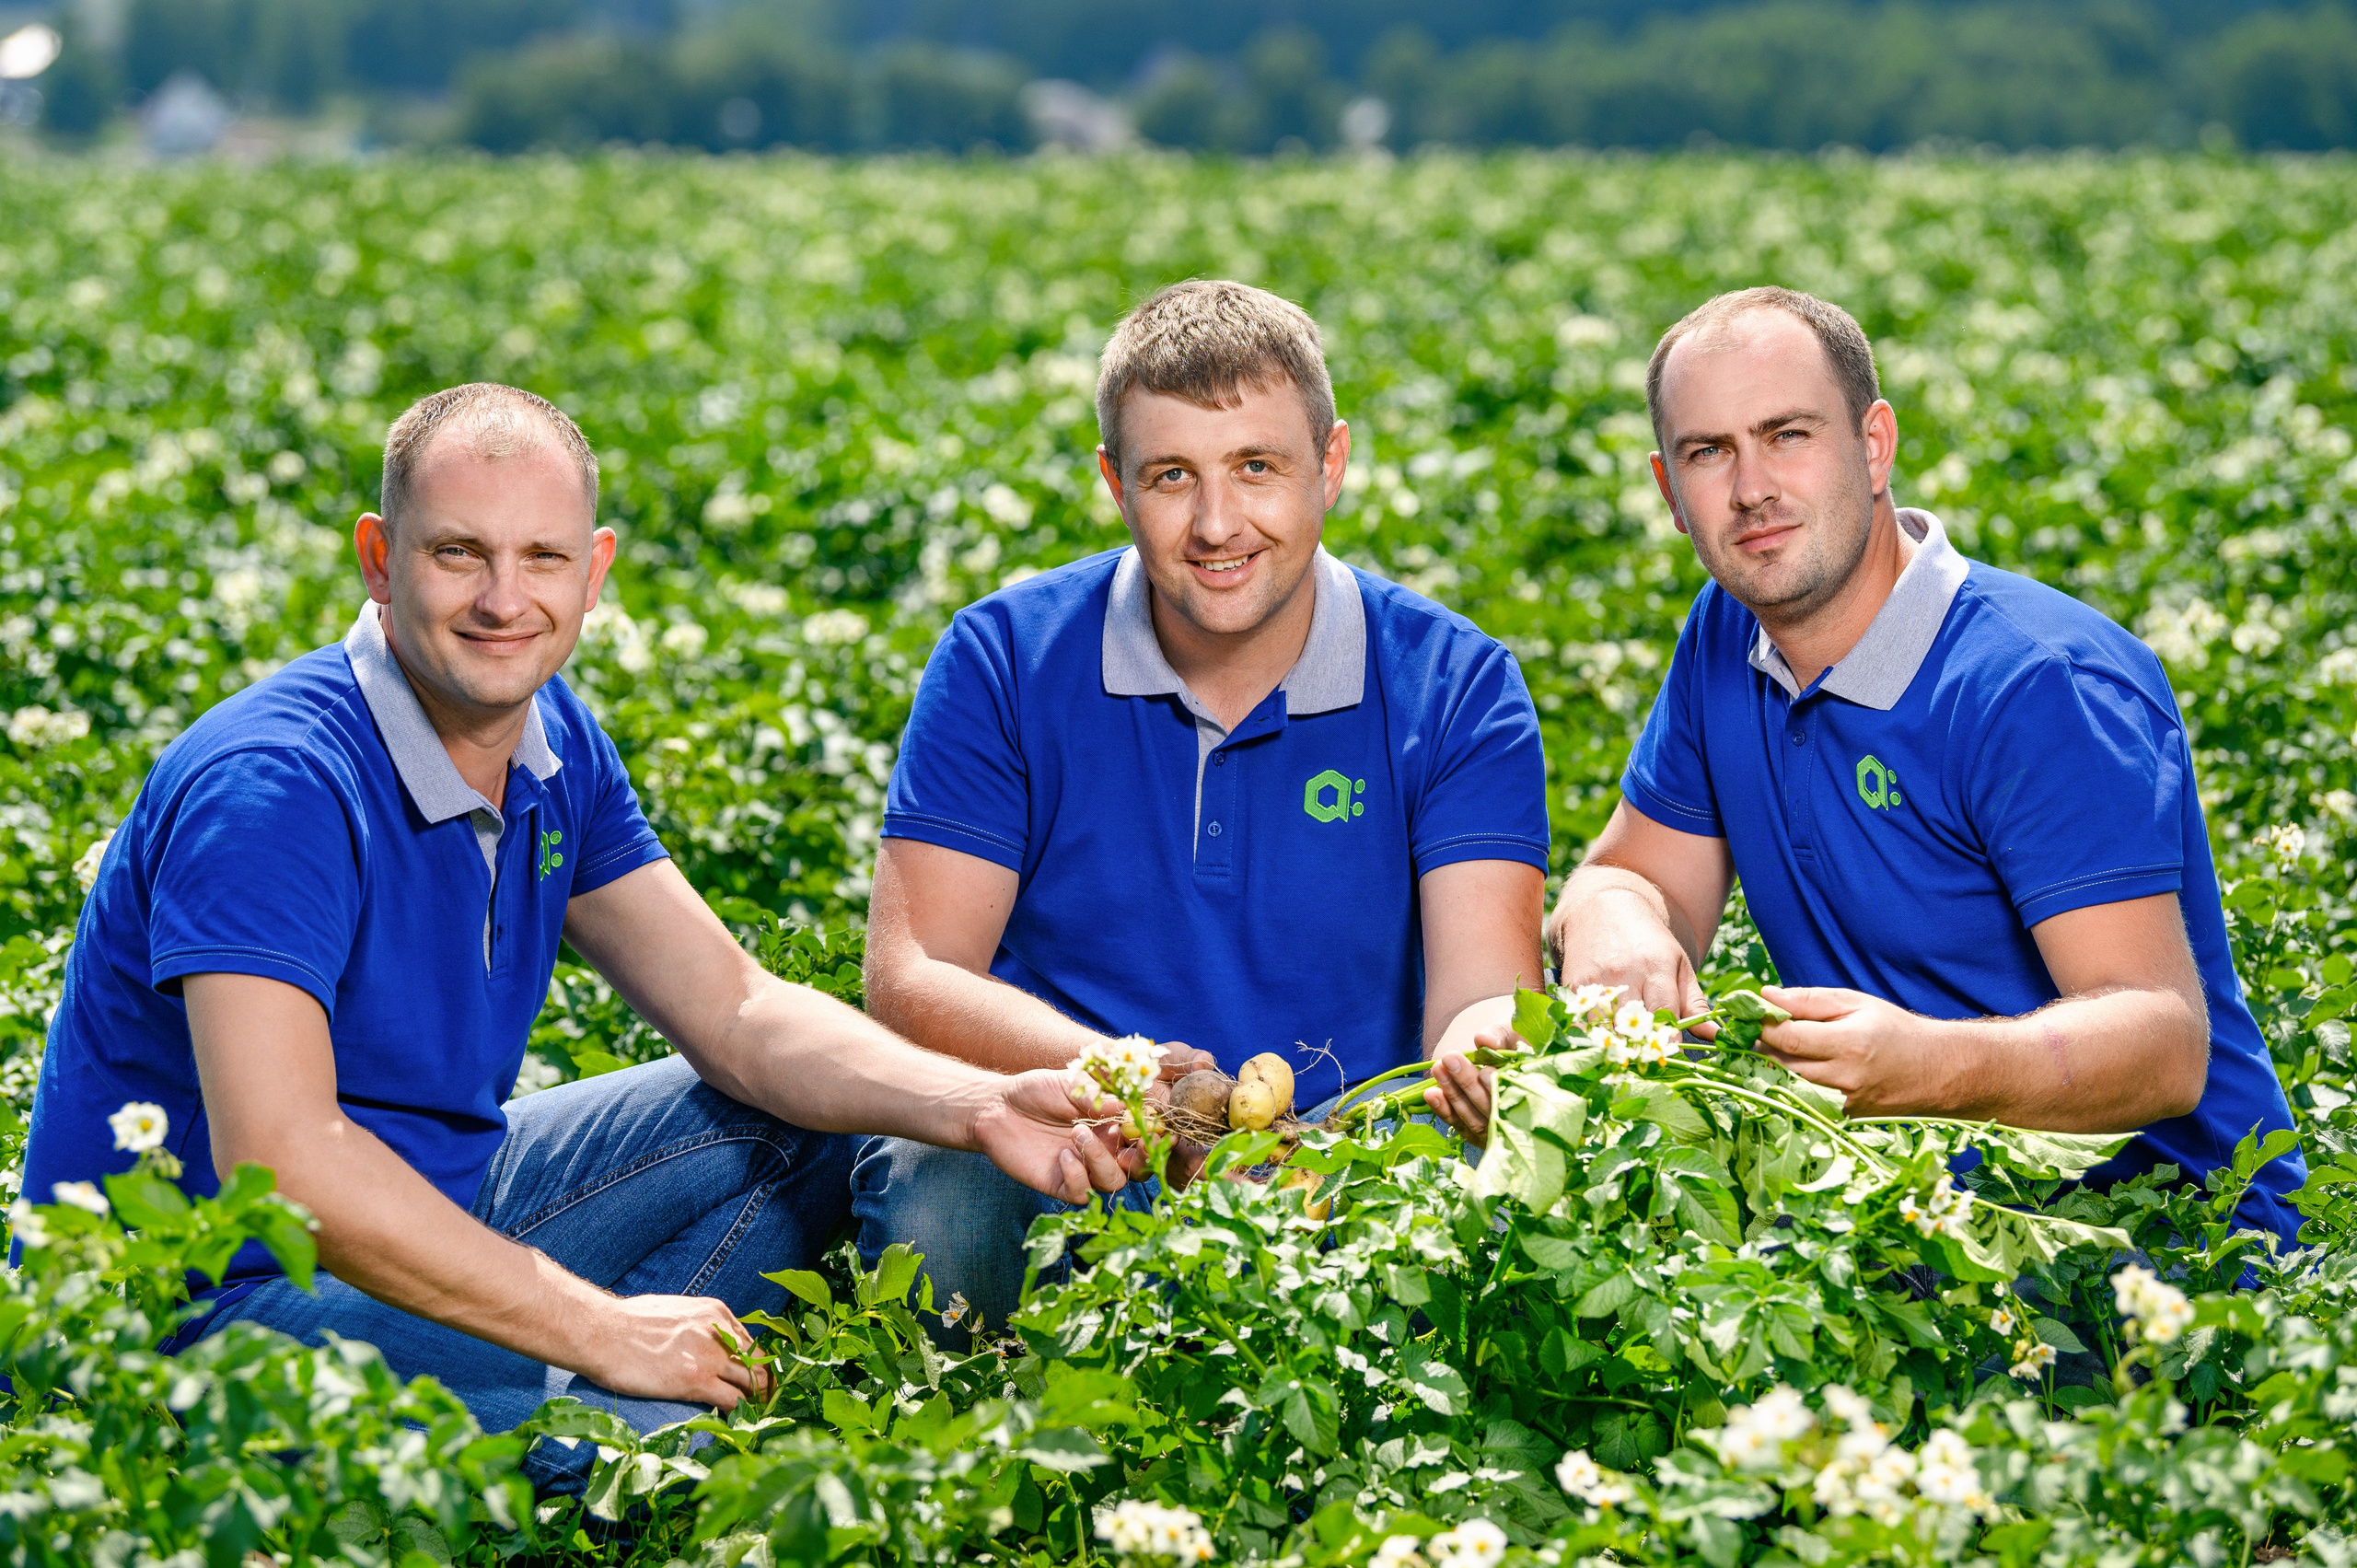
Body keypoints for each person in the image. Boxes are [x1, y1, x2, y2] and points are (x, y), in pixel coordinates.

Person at [23, 383, 1133, 1491]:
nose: (504, 599)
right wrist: (600, 1327)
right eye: (459, 553)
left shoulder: (552, 742)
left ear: (593, 572)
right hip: (205, 1300)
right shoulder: (274, 785)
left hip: (454, 1199)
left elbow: (738, 1010)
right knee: (648, 1457)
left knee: (808, 1103)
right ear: (378, 557)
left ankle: (630, 1386)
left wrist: (976, 1098)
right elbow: (290, 1160)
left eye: (543, 558)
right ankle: (622, 1402)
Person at [1425, 285, 2305, 1246]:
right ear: (1668, 491)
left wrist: (1918, 1065)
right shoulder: (1728, 631)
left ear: (1874, 444)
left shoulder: (2035, 682)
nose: (1750, 486)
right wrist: (1614, 918)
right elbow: (1636, 870)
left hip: (2160, 1250)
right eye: (1707, 452)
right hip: (1904, 1229)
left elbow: (2165, 1047)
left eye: (1787, 434)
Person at [856, 280, 1552, 1341]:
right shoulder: (1003, 656)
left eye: (1258, 468)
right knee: (942, 1195)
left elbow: (1475, 996)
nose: (1218, 523)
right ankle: (984, 1466)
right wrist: (1137, 1086)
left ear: (1332, 465)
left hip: (1350, 1159)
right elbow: (912, 977)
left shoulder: (1454, 684)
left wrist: (1468, 1060)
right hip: (1078, 1127)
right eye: (1171, 475)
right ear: (1113, 485)